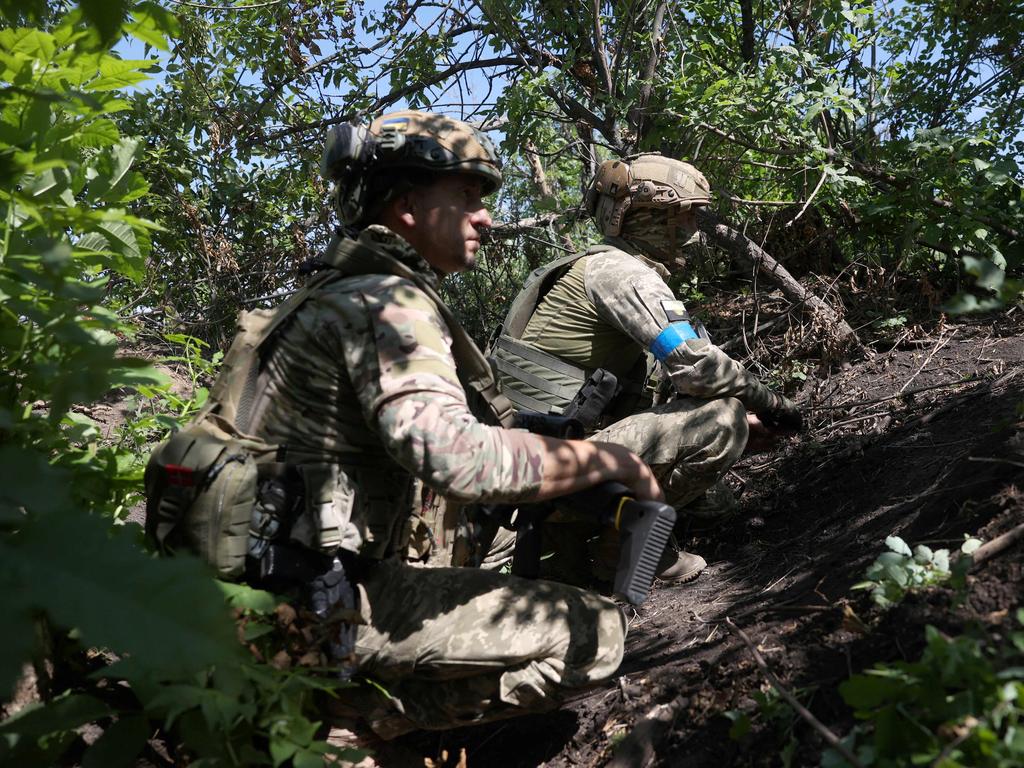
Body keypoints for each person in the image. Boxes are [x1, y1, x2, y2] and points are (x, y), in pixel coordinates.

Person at [240, 111, 663, 739]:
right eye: (466, 195)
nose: (485, 215)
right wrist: (611, 462)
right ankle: (352, 724)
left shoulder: (322, 294)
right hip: (310, 611)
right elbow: (458, 459)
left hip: (252, 601)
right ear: (408, 203)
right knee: (595, 632)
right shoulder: (387, 302)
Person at [490, 154, 802, 585]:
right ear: (648, 216)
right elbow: (699, 367)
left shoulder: (596, 268)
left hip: (534, 466)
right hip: (538, 478)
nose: (693, 235)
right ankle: (622, 556)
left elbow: (662, 382)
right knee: (723, 420)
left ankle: (578, 547)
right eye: (686, 218)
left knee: (716, 504)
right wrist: (773, 404)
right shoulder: (621, 273)